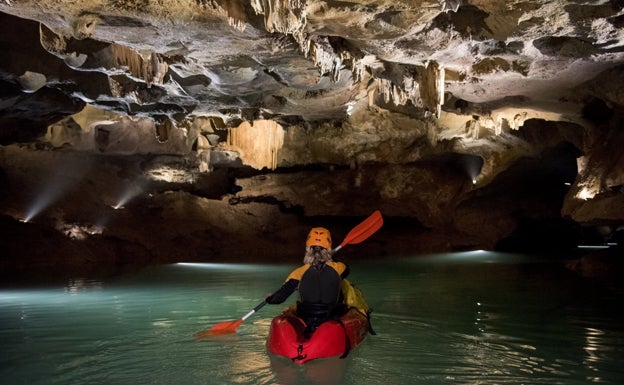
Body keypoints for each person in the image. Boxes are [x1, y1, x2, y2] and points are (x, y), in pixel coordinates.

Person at [265, 227, 350, 334]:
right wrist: (330, 258)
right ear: (328, 248)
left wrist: (269, 298)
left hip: (307, 317)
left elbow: (279, 298)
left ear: (308, 248)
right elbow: (347, 270)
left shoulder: (298, 272)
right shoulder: (339, 268)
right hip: (331, 315)